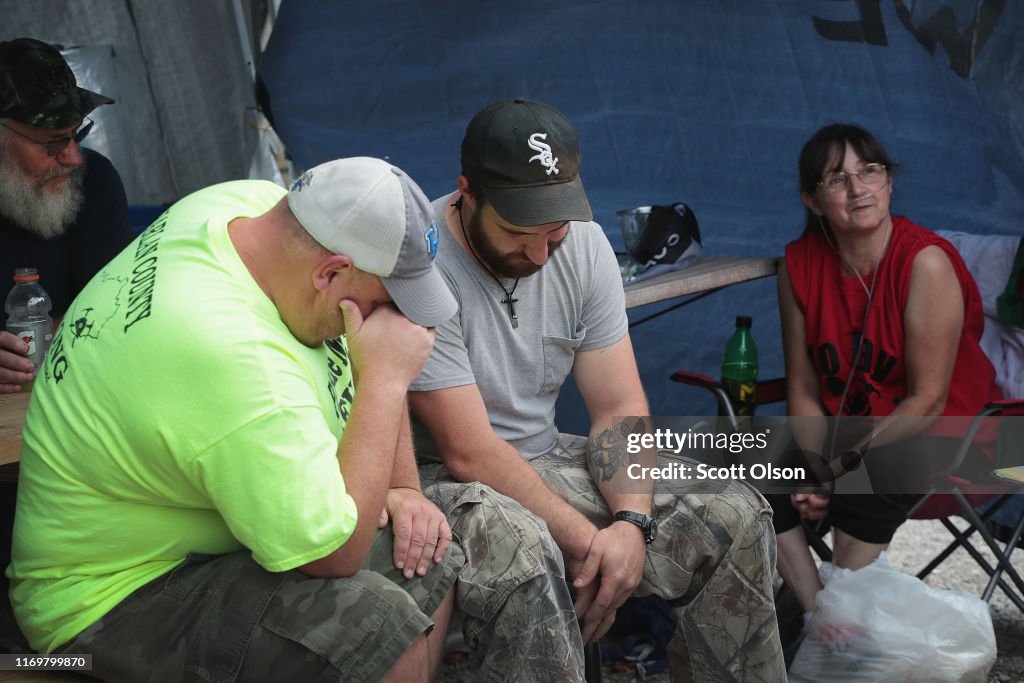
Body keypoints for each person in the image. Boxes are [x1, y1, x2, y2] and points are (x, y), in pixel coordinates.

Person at [8, 156, 465, 682]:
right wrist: (387, 381)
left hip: (187, 534)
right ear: (332, 272)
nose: (396, 324)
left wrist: (405, 485)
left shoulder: (249, 208)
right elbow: (333, 555)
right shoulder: (231, 356)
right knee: (374, 628)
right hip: (99, 601)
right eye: (383, 305)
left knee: (424, 554)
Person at [408, 98, 785, 682]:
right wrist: (590, 539)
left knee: (738, 515)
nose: (538, 253)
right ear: (467, 192)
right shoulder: (421, 261)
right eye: (517, 231)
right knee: (529, 556)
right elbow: (467, 450)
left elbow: (617, 408)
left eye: (553, 230)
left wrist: (631, 525)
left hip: (544, 452)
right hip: (442, 476)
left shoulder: (583, 245)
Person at [770, 123, 1002, 625]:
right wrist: (814, 465)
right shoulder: (798, 266)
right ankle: (826, 622)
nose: (858, 189)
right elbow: (804, 389)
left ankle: (828, 629)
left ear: (889, 183)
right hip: (845, 443)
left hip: (962, 439)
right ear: (812, 200)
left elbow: (928, 401)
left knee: (868, 475)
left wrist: (835, 471)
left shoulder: (926, 262)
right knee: (751, 461)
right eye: (837, 179)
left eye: (869, 171)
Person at [0, 37, 132, 393]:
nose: (73, 157)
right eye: (53, 141)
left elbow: (115, 312)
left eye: (77, 134)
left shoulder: (94, 182)